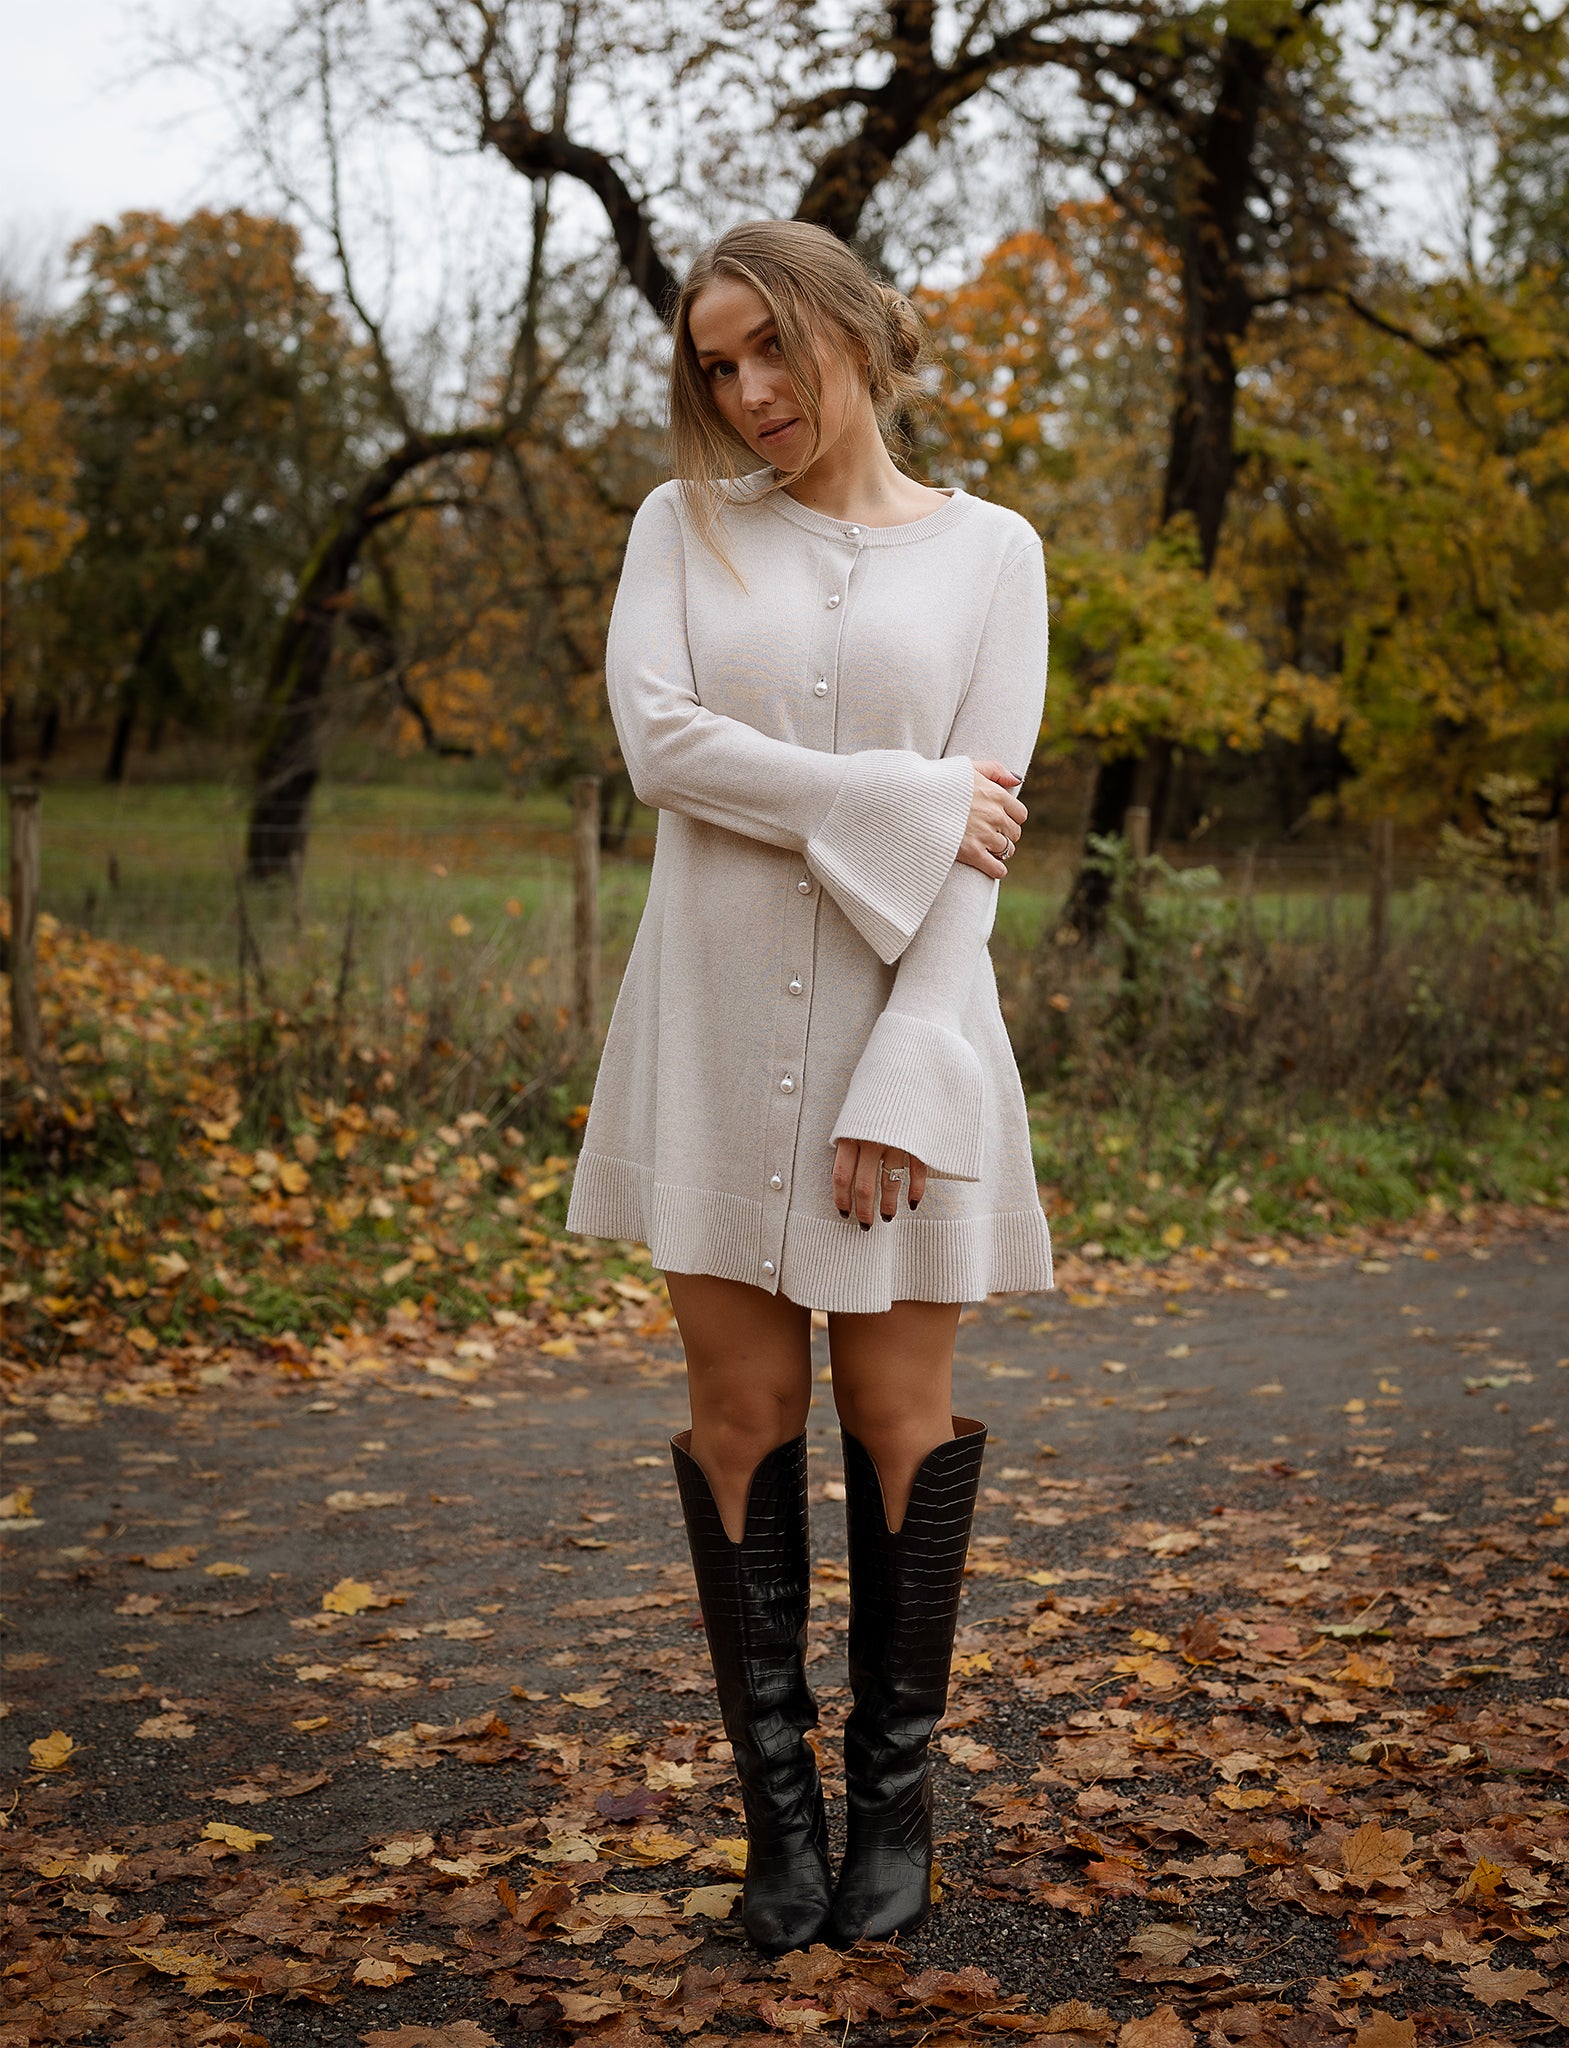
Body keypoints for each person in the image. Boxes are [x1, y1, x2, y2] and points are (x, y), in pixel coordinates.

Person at [564, 218, 1053, 1953]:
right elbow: (662, 745)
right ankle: (780, 1820)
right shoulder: (680, 530)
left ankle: (892, 1810)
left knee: (899, 1417)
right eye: (717, 363)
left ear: (854, 329)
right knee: (737, 1412)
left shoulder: (996, 554)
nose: (749, 391)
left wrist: (910, 1078)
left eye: (773, 347)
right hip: (706, 1033)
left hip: (904, 1035)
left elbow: (980, 870)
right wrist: (901, 798)